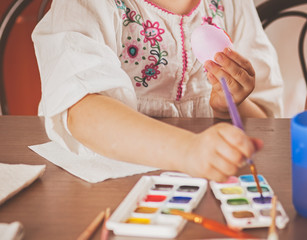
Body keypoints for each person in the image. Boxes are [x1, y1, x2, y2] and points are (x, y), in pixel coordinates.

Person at [32, 0, 283, 182]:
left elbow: (265, 125)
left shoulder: (233, 5)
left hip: (214, 179)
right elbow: (81, 111)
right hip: (115, 184)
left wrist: (230, 106)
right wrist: (189, 149)